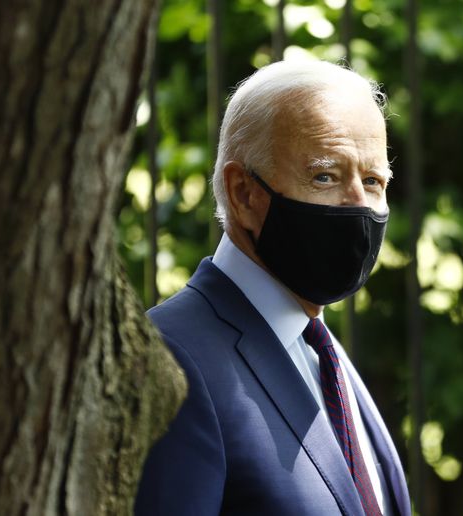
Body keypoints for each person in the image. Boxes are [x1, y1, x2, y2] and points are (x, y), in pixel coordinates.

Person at [135, 60, 411, 516]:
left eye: (372, 181)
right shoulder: (172, 359)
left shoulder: (324, 355)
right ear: (244, 193)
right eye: (325, 176)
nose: (358, 207)